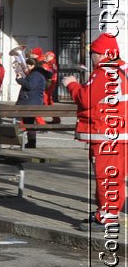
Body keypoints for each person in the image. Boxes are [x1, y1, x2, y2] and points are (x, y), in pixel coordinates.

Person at [65, 34, 127, 225]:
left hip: (105, 133)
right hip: (117, 132)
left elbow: (86, 99)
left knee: (106, 175)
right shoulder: (121, 69)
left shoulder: (106, 71)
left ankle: (107, 215)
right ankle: (107, 212)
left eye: (92, 53)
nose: (91, 57)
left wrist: (72, 85)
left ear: (100, 54)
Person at [14, 52, 50, 148]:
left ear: (33, 65)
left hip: (30, 101)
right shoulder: (35, 73)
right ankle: (31, 143)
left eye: (28, 66)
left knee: (29, 123)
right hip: (30, 101)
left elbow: (30, 86)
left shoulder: (36, 74)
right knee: (28, 123)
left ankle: (31, 142)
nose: (26, 68)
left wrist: (20, 80)